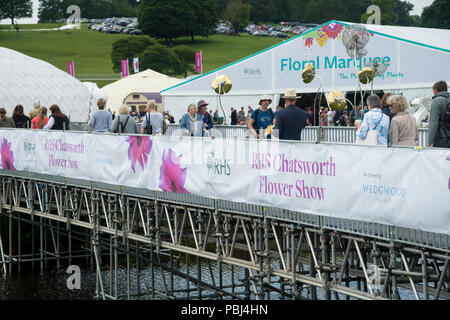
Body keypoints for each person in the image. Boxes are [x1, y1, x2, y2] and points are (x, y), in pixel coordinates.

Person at [428, 81, 450, 148]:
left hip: (441, 138)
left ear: (435, 91)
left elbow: (433, 123)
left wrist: (430, 141)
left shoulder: (436, 101)